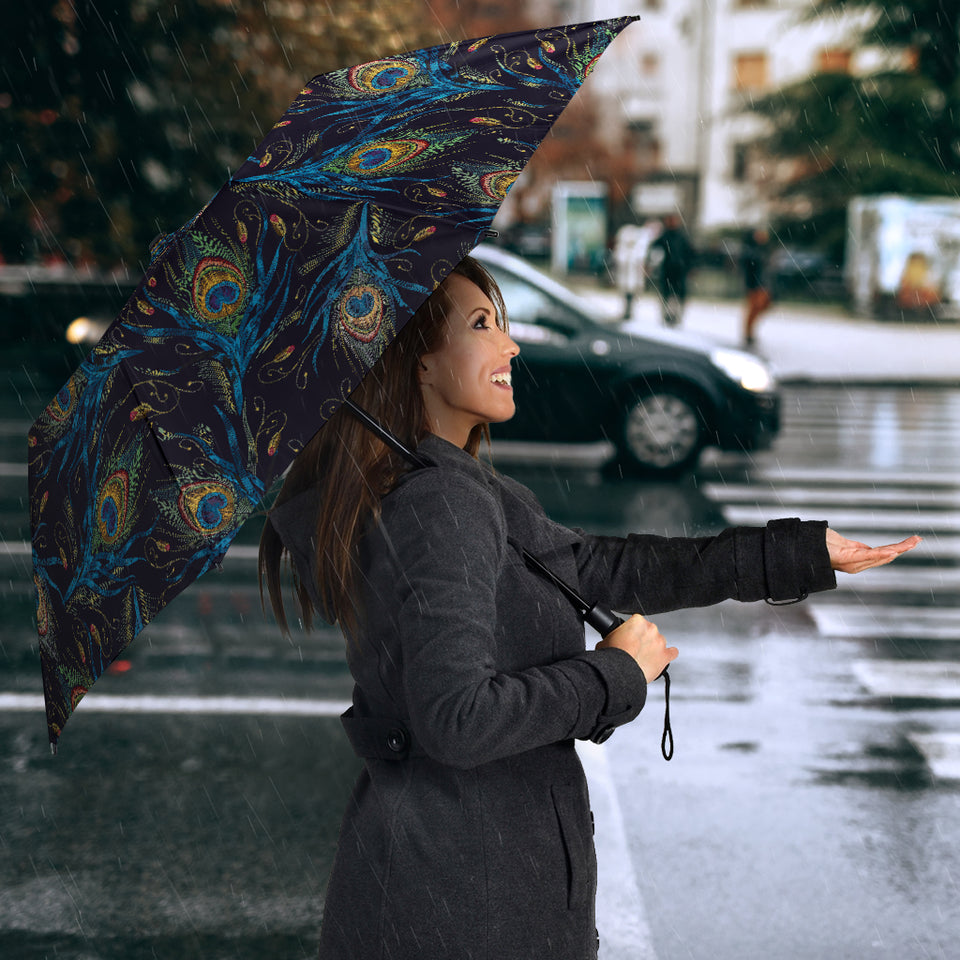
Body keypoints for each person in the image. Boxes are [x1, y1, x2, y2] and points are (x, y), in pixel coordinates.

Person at [258, 255, 919, 960]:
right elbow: (456, 719)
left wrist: (796, 554)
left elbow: (604, 567)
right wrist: (614, 674)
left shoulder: (450, 488)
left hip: (452, 884)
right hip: (467, 903)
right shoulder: (440, 503)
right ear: (417, 362)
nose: (510, 345)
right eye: (483, 325)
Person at [648, 213, 695, 327]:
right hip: (668, 270)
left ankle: (675, 316)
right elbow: (654, 249)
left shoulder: (681, 237)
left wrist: (690, 267)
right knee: (667, 294)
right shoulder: (665, 236)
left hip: (679, 271)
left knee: (677, 295)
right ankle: (667, 315)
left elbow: (690, 253)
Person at [741, 226, 773, 347]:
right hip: (755, 284)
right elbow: (750, 265)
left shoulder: (763, 249)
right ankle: (748, 333)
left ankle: (750, 331)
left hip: (763, 283)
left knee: (762, 306)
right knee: (754, 308)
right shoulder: (751, 250)